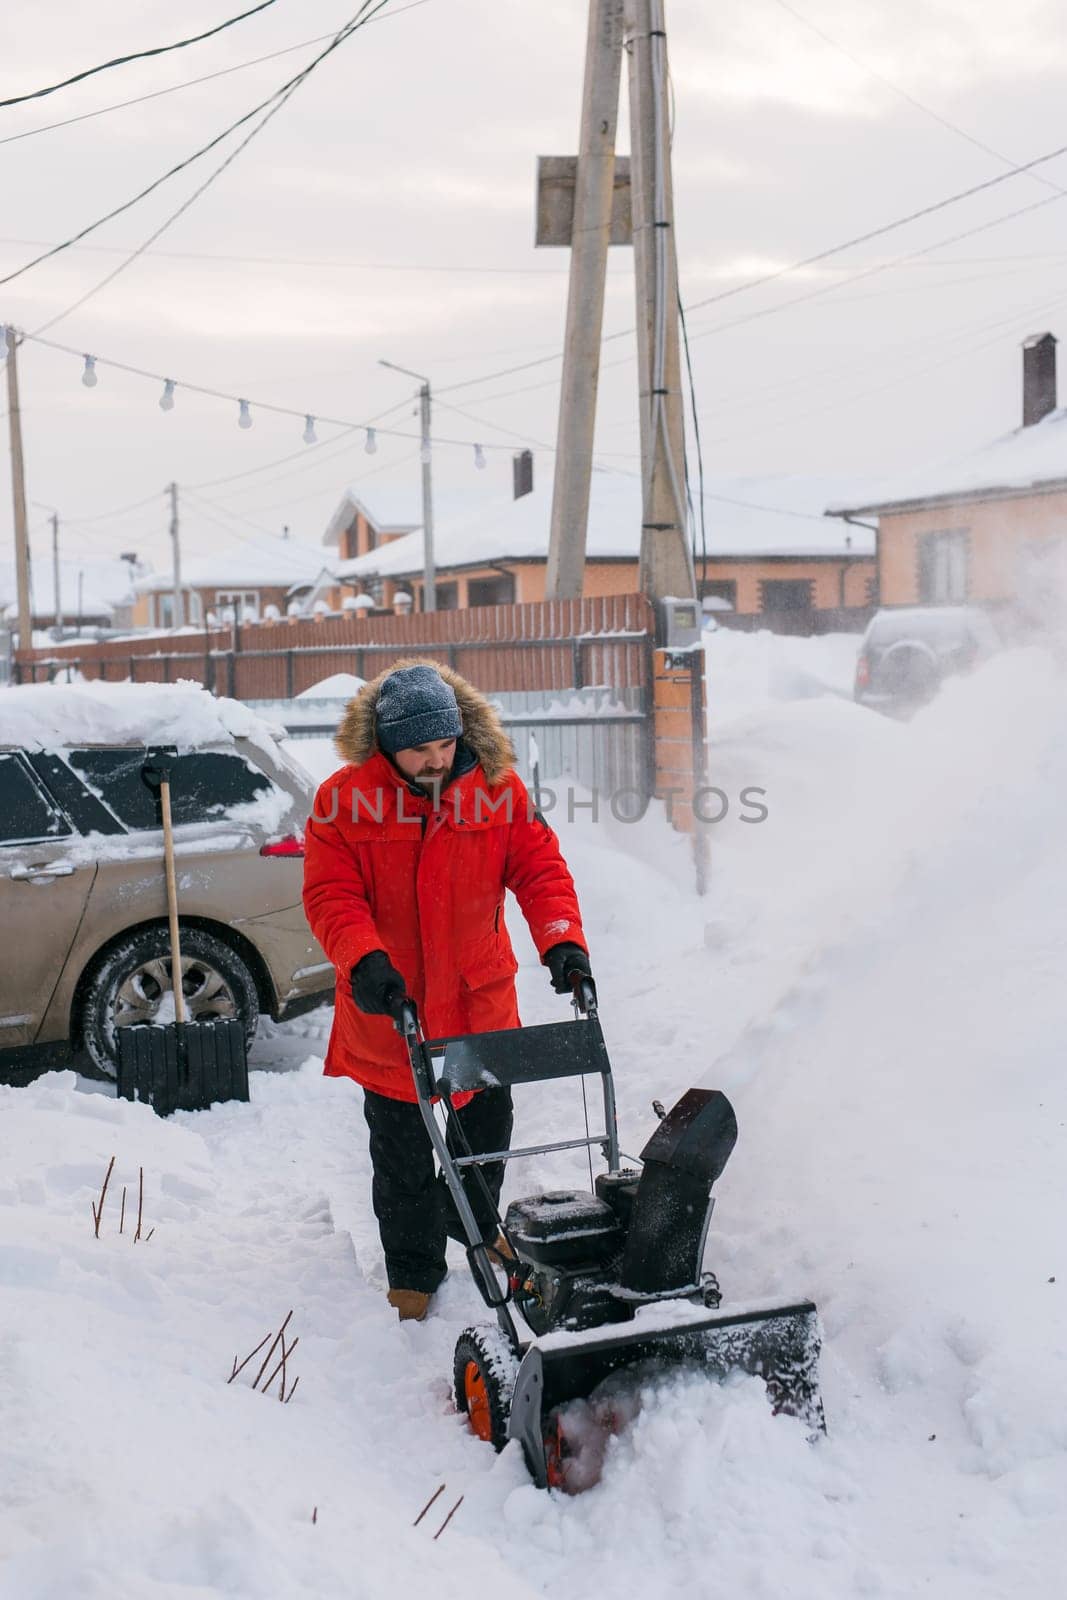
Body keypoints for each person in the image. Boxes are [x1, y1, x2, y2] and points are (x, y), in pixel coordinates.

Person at [302, 659, 593, 1322]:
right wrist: (364, 959)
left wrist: (561, 940)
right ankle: (412, 1273)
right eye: (417, 750)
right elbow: (330, 894)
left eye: (443, 745)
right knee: (402, 1157)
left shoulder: (498, 788)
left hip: (476, 999)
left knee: (486, 1132)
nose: (434, 761)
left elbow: (539, 867)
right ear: (385, 745)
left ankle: (472, 1224)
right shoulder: (342, 800)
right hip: (390, 1003)